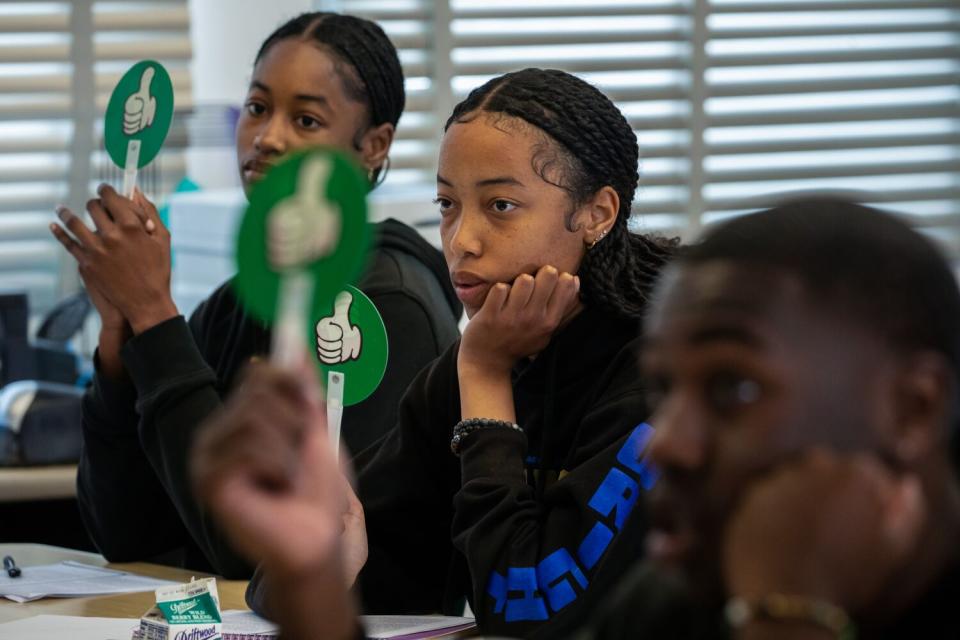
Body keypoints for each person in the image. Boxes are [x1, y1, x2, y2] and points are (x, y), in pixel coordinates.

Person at [197, 197, 960, 640]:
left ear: (911, 409)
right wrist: (309, 583)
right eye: (663, 389)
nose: (671, 441)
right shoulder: (682, 590)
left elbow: (523, 601)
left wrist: (791, 613)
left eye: (733, 389)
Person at [199, 67, 677, 636]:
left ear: (596, 213)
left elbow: (525, 604)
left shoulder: (663, 374)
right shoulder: (475, 362)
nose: (461, 240)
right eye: (448, 204)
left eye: (500, 205)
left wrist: (483, 374)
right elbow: (291, 583)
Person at [48, 12, 461, 578]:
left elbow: (269, 558)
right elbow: (130, 534)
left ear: (373, 145)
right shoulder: (235, 303)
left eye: (308, 119)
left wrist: (156, 315)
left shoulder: (389, 305)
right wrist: (121, 352)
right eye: (257, 108)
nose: (267, 139)